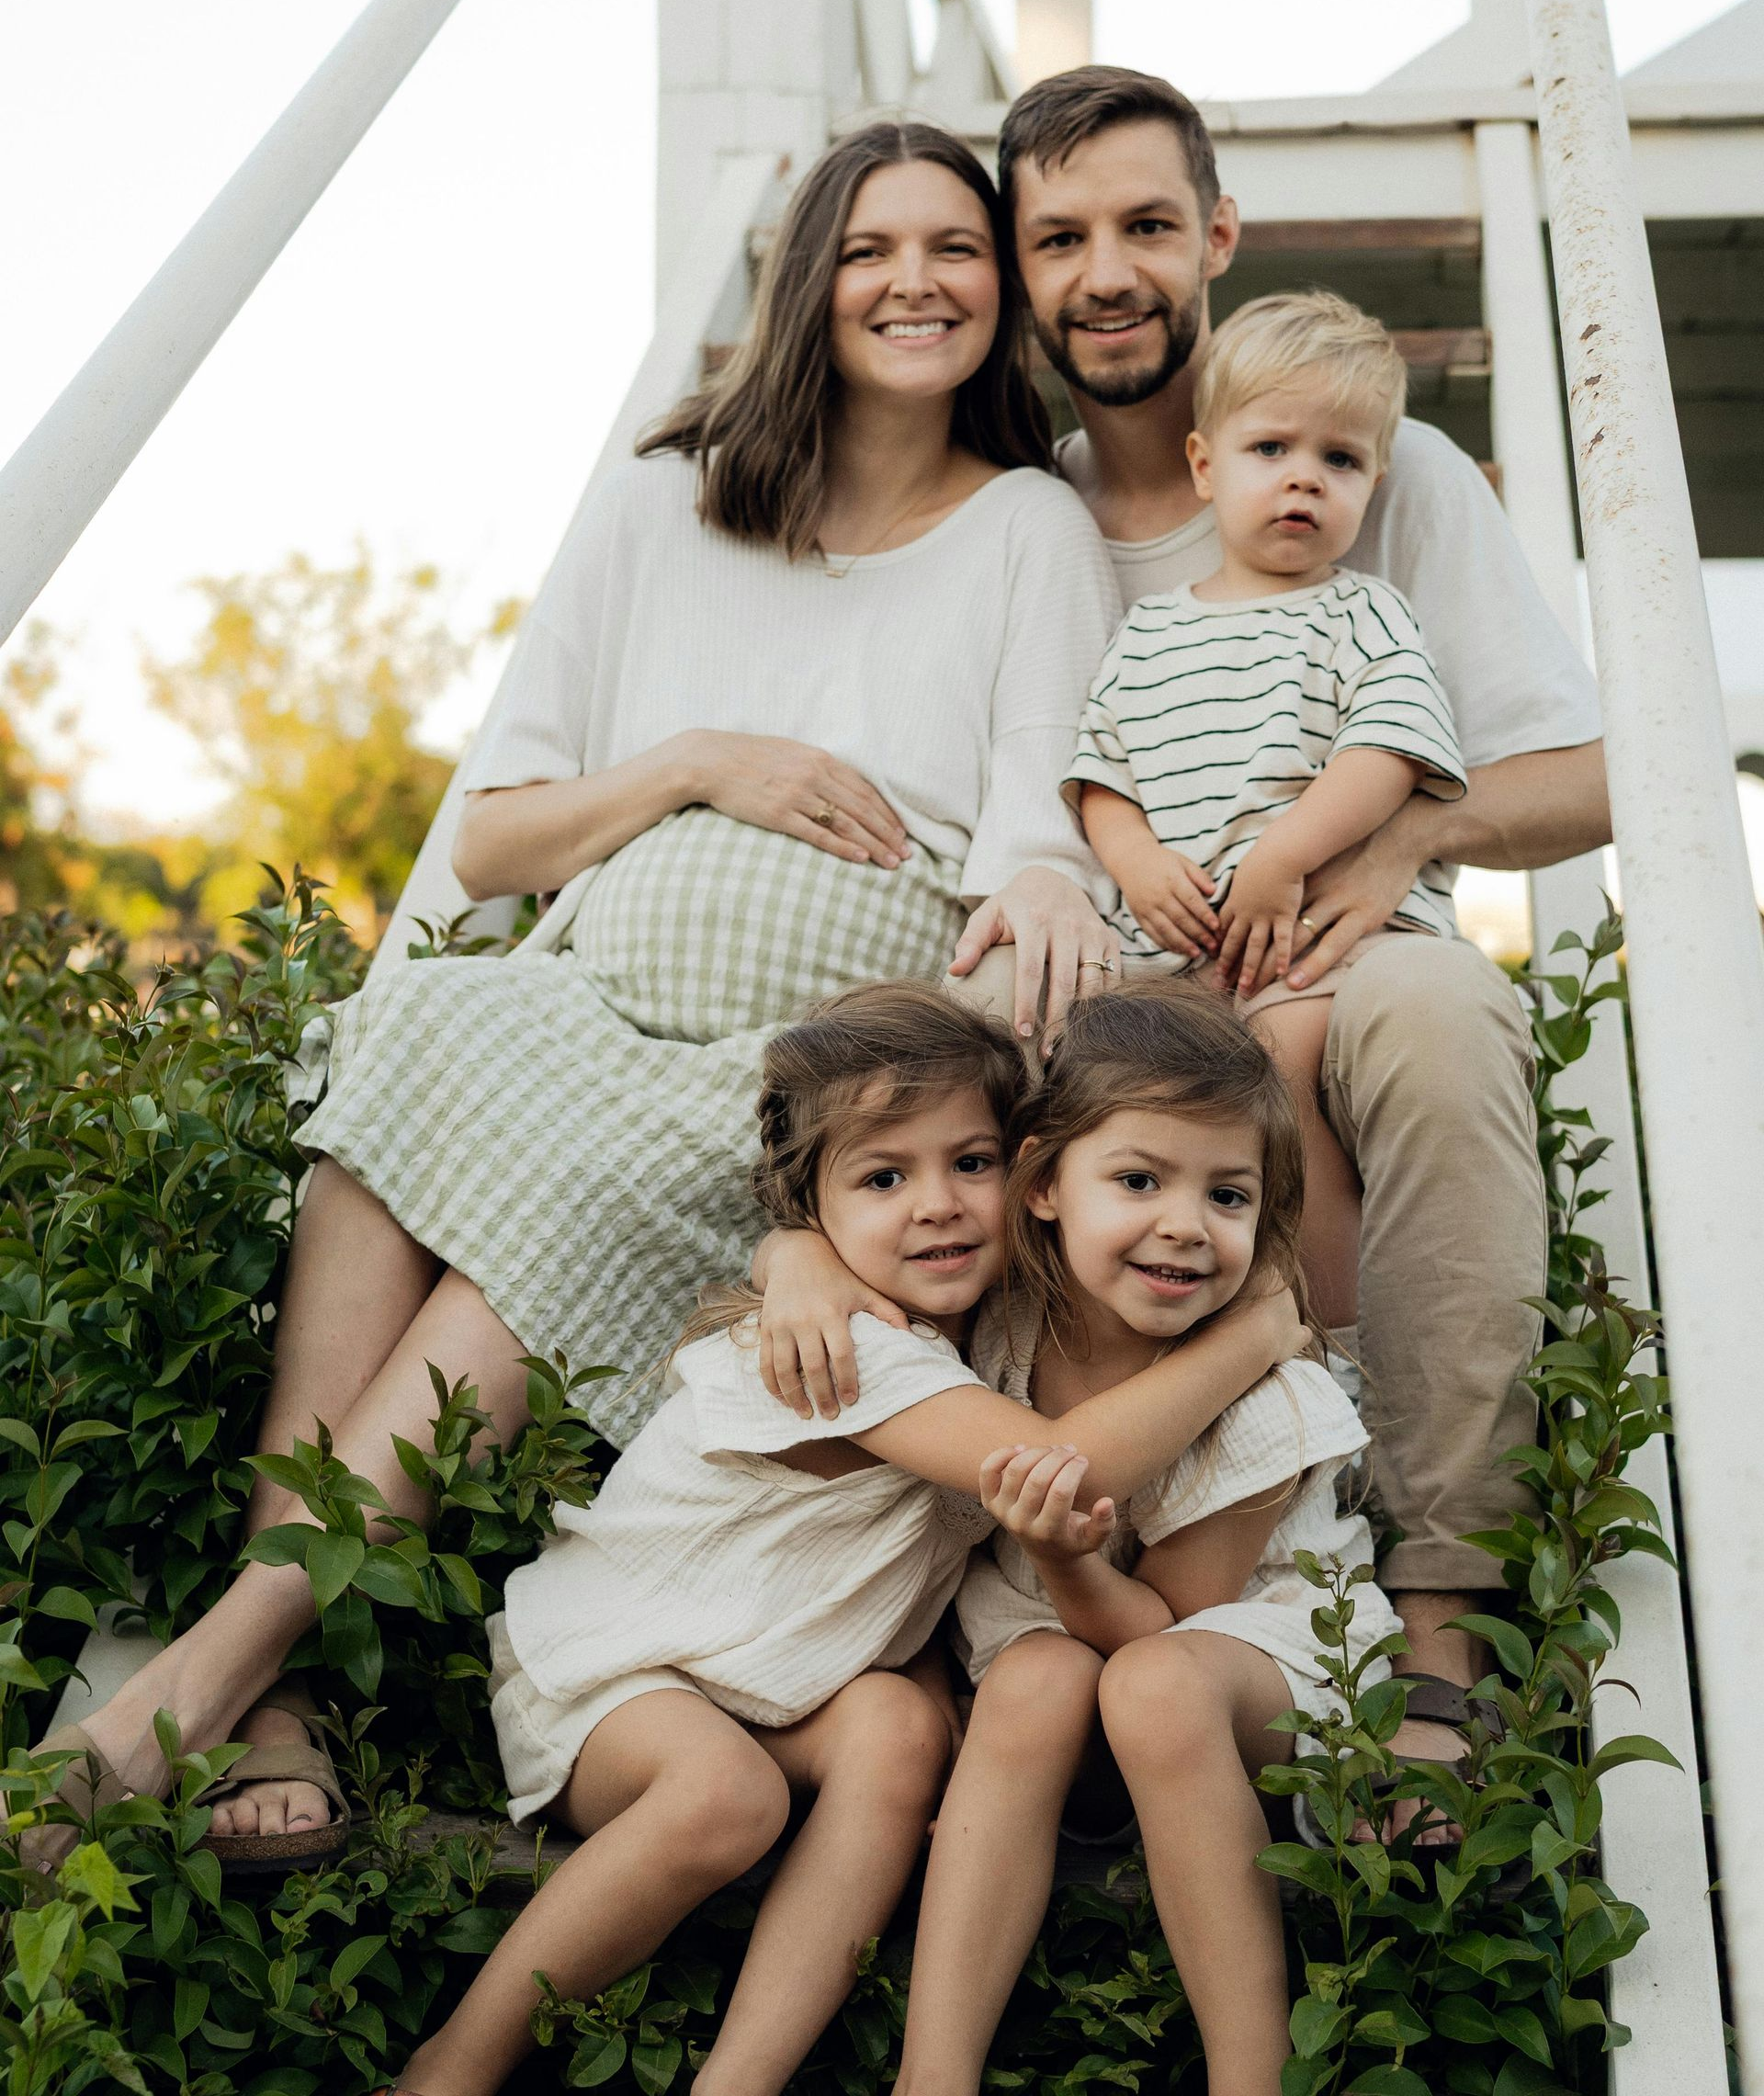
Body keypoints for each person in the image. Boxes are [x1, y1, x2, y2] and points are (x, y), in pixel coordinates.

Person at [37, 120, 1128, 1867]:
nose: (915, 282)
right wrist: (702, 762)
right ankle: (268, 1693)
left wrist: (1013, 940)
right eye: (869, 249)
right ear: (804, 284)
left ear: (998, 293)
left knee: (546, 1212)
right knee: (397, 1079)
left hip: (817, 1054)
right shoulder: (659, 501)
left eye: (954, 249)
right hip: (591, 994)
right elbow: (490, 843)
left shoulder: (1027, 529)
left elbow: (1023, 845)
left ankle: (219, 1668)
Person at [990, 62, 1612, 1806]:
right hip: (1134, 948)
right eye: (1062, 237)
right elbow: (1065, 777)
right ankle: (1034, 1593)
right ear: (1024, 270)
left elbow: (1585, 774)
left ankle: (1437, 1618)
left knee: (1421, 1010)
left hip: (1354, 939)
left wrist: (1387, 835)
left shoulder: (1378, 467)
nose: (1108, 270)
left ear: (1218, 237)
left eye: (1147, 225)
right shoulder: (1029, 520)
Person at [378, 982, 1306, 2096]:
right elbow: (1062, 1470)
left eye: (971, 1163)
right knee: (727, 1794)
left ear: (1033, 1178)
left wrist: (795, 1251)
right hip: (613, 1678)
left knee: (901, 1731)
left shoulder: (982, 1326)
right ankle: (451, 2070)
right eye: (882, 1177)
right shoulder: (851, 1352)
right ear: (815, 1205)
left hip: (779, 1692)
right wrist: (1255, 1333)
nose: (939, 1206)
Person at [888, 984, 1396, 2096]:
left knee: (1155, 1687)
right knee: (1034, 1683)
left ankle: (1251, 2075)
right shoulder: (1005, 1312)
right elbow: (840, 1238)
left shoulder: (1272, 1403)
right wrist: (792, 1265)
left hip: (1258, 1661)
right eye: (1138, 1180)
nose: (1182, 1223)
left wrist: (1067, 1556)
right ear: (1041, 1189)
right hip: (1057, 1647)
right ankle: (932, 2076)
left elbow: (1161, 1623)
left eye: (1227, 1195)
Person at [1069, 289, 1466, 1327]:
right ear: (1206, 466)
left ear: (1372, 485)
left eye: (1339, 460)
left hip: (1307, 940)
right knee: (1125, 1104)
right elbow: (1102, 776)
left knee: (1275, 1091)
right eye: (1270, 448)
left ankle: (1318, 1336)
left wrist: (1286, 856)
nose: (1303, 475)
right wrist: (1139, 863)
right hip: (1176, 943)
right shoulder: (1149, 630)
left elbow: (1386, 752)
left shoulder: (1364, 612)